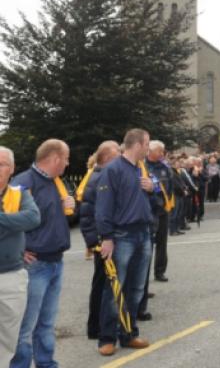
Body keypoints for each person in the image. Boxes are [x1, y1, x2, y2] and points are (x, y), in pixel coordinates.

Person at [10, 139, 72, 368]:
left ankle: (46, 363)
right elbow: (7, 222)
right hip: (36, 265)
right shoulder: (23, 183)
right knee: (26, 326)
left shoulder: (56, 183)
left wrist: (70, 206)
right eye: (66, 158)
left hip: (56, 261)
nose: (67, 163)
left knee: (46, 322)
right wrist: (20, 249)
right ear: (55, 158)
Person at [95, 129, 153, 356]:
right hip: (122, 236)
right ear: (137, 144)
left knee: (136, 288)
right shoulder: (113, 170)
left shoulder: (140, 168)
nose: (148, 148)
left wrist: (152, 188)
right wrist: (107, 238)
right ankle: (106, 338)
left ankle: (129, 333)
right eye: (147, 143)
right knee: (114, 290)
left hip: (143, 233)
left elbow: (150, 197)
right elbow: (103, 208)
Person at [0, 146, 40, 367]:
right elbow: (21, 221)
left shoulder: (19, 193)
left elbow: (32, 218)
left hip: (10, 277)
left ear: (12, 169)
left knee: (8, 338)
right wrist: (12, 222)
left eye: (2, 164)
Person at [78, 141, 119, 339]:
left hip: (103, 239)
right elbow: (87, 214)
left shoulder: (103, 175)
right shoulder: (99, 177)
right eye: (118, 154)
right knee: (101, 285)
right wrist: (95, 242)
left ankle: (99, 325)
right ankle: (96, 327)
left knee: (104, 284)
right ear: (107, 158)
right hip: (101, 242)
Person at [144, 141, 172, 283]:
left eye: (163, 151)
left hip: (162, 210)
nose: (162, 154)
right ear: (150, 151)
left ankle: (160, 271)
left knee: (162, 242)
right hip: (149, 211)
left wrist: (168, 203)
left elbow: (170, 187)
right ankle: (143, 276)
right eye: (160, 151)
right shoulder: (142, 166)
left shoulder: (164, 167)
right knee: (147, 245)